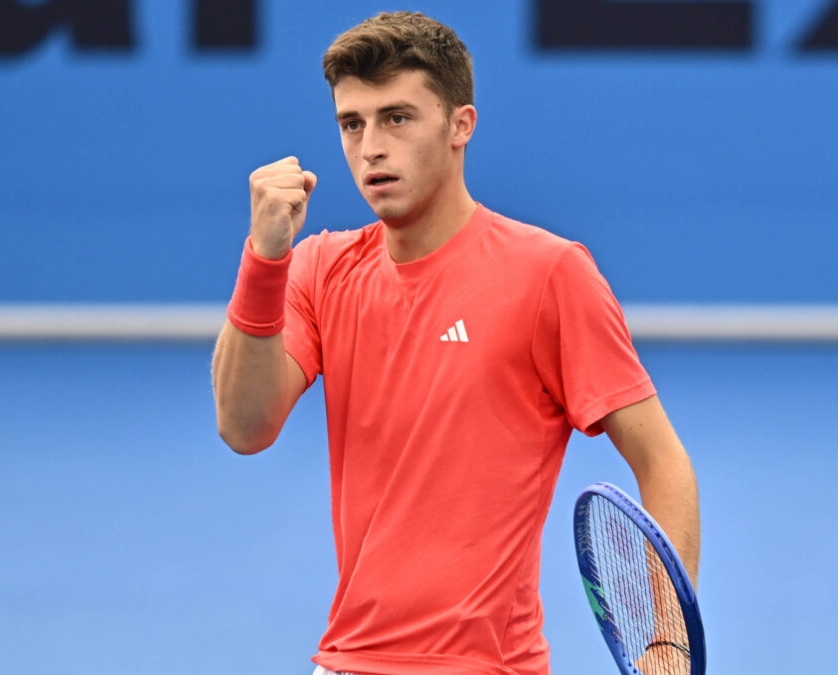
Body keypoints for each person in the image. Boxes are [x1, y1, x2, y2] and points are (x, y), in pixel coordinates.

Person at [211, 11, 699, 675]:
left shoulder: (549, 274)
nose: (371, 147)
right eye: (352, 124)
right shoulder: (317, 269)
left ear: (459, 126)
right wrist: (265, 260)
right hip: (345, 663)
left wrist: (666, 641)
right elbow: (244, 425)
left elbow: (663, 460)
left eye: (397, 118)